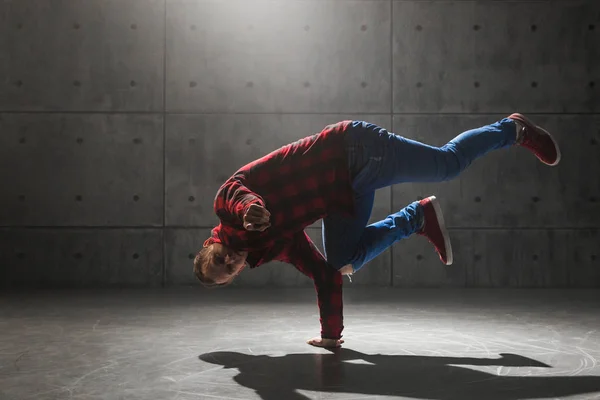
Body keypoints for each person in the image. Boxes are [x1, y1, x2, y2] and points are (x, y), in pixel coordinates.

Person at [193, 114, 560, 348]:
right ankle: (418, 217)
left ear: (212, 244)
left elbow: (239, 190)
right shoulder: (275, 246)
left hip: (352, 151)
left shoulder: (226, 207)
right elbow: (324, 276)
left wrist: (250, 209)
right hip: (344, 191)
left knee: (447, 163)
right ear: (238, 273)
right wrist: (330, 336)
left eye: (218, 259)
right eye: (228, 270)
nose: (228, 260)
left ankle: (513, 129)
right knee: (340, 261)